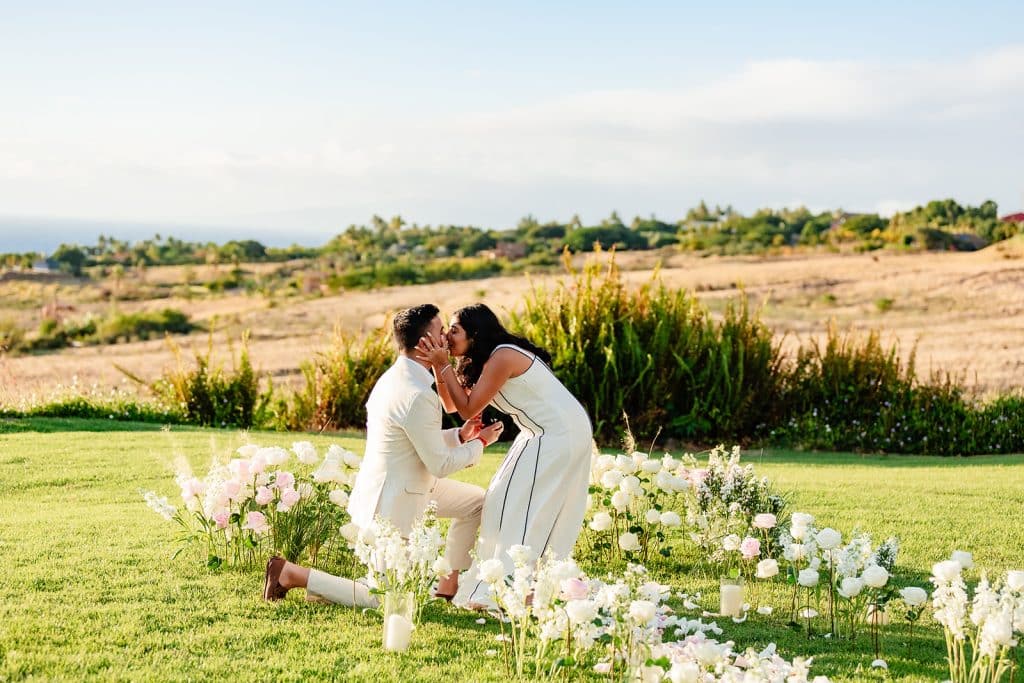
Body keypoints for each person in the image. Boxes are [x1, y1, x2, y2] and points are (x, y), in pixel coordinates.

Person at [263, 304, 505, 605]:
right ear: (424, 344)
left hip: (413, 486)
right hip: (391, 505)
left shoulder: (396, 378)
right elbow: (439, 464)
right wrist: (479, 443)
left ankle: (448, 583)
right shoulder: (417, 394)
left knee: (476, 503)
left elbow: (411, 441)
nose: (445, 336)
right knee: (386, 597)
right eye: (439, 330)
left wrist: (460, 435)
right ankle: (290, 573)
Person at [415, 303, 593, 609]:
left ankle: (510, 588)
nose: (446, 336)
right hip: (538, 432)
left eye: (454, 331)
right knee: (498, 498)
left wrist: (443, 364)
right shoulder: (479, 361)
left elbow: (468, 408)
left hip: (558, 432)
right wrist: (438, 365)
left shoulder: (503, 356)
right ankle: (504, 580)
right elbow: (453, 406)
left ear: (475, 333)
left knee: (520, 505)